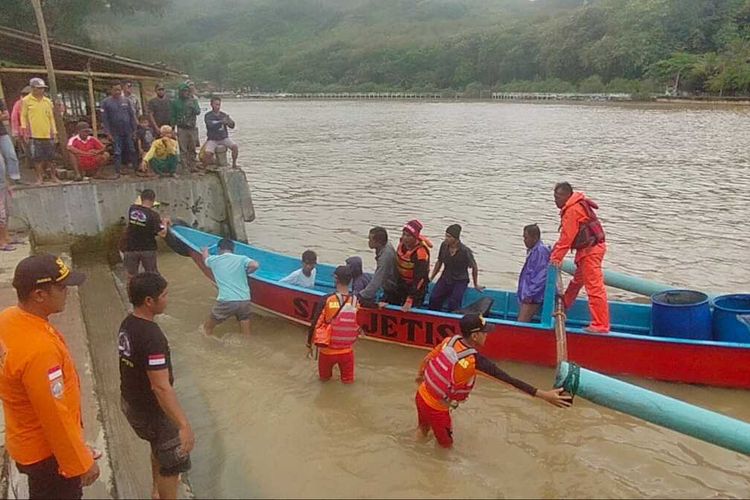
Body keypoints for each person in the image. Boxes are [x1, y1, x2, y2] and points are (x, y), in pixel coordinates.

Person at [0, 254, 100, 498]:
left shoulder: (9, 318)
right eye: (62, 287)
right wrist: (79, 462)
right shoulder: (39, 351)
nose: (68, 292)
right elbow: (53, 414)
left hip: (24, 438)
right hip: (47, 455)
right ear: (39, 295)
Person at [415, 313, 571, 448]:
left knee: (422, 431)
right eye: (484, 332)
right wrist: (545, 395)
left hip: (421, 394)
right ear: (475, 336)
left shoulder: (450, 341)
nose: (487, 335)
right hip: (437, 410)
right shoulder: (475, 361)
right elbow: (509, 380)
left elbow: (428, 358)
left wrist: (420, 375)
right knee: (446, 448)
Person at [118, 272, 194, 500]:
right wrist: (183, 425)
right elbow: (160, 387)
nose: (167, 299)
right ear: (149, 301)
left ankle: (156, 491)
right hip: (152, 410)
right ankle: (165, 490)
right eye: (164, 295)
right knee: (173, 464)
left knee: (158, 447)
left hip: (131, 402)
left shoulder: (128, 323)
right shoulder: (152, 336)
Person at [550, 182, 610, 334]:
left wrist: (555, 259)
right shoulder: (576, 205)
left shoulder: (572, 210)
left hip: (591, 252)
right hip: (588, 251)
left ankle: (601, 325)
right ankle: (564, 304)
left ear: (566, 196)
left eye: (558, 197)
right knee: (577, 281)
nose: (555, 200)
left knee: (594, 287)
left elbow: (566, 238)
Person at [306, 266, 359, 384]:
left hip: (327, 352)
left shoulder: (327, 299)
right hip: (347, 352)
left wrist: (309, 344)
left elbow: (314, 323)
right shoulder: (355, 301)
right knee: (348, 383)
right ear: (350, 280)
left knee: (324, 382)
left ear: (336, 278)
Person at [202, 238, 259, 338]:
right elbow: (255, 265)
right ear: (233, 249)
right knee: (246, 334)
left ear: (219, 249)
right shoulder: (242, 258)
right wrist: (247, 272)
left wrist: (205, 250)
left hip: (227, 300)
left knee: (206, 329)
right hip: (244, 299)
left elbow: (205, 259)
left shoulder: (214, 260)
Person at [428, 224, 483, 312]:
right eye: (446, 235)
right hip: (445, 278)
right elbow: (439, 262)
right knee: (434, 298)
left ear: (456, 239)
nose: (446, 238)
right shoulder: (444, 246)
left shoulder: (465, 251)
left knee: (454, 302)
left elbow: (474, 267)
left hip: (460, 280)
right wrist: (431, 277)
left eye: (449, 237)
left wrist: (475, 284)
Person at [122, 189, 169, 281]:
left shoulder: (132, 209)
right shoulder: (154, 215)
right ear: (153, 200)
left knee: (131, 276)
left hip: (130, 248)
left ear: (141, 198)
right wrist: (165, 222)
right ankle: (155, 293)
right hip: (147, 249)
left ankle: (132, 293)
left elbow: (139, 205)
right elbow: (162, 233)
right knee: (152, 275)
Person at [20, 78, 60, 185]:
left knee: (51, 158)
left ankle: (53, 176)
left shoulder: (47, 101)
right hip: (34, 134)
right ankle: (39, 178)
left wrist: (54, 132)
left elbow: (51, 117)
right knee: (37, 159)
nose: (41, 90)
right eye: (38, 88)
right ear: (32, 88)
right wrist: (24, 130)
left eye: (42, 88)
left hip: (47, 133)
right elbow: (23, 116)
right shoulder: (26, 101)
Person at [388, 219, 432, 312]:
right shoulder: (402, 244)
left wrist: (410, 299)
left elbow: (419, 279)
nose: (405, 238)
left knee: (411, 308)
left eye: (408, 236)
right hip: (402, 282)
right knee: (392, 299)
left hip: (417, 287)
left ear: (415, 238)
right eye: (403, 234)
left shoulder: (420, 254)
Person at [100, 83, 137, 178]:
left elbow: (132, 116)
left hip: (128, 130)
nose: (117, 92)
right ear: (111, 90)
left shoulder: (127, 101)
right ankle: (117, 171)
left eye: (119, 90)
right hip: (115, 132)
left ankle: (136, 170)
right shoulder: (106, 102)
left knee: (132, 149)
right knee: (117, 152)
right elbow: (105, 120)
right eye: (115, 90)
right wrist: (108, 133)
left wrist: (134, 130)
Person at [356, 226, 398, 307]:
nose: (368, 242)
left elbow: (378, 279)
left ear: (378, 242)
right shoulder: (386, 245)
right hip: (389, 284)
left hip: (392, 290)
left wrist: (361, 296)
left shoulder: (385, 258)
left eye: (370, 239)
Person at [517, 224, 551, 323]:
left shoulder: (540, 251)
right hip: (530, 294)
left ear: (535, 237)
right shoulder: (534, 250)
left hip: (533, 296)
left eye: (526, 238)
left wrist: (530, 295)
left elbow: (541, 276)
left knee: (522, 322)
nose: (524, 240)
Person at [171, 83, 201, 173]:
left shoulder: (193, 101)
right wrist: (172, 129)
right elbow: (173, 116)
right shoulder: (175, 102)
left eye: (187, 91)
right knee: (183, 148)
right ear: (180, 92)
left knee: (192, 147)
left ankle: (193, 165)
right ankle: (185, 166)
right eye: (183, 91)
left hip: (192, 127)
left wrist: (193, 106)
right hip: (181, 128)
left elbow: (198, 112)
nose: (185, 93)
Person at [203, 97, 239, 169]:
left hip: (223, 138)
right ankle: (206, 168)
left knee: (235, 147)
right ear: (211, 105)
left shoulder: (223, 115)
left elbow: (232, 126)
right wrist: (221, 122)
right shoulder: (208, 116)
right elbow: (210, 125)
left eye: (219, 105)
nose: (218, 106)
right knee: (207, 154)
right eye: (216, 104)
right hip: (212, 139)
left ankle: (234, 163)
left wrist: (229, 122)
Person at [0, 96, 21, 185]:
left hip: (2, 132)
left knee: (11, 154)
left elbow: (7, 115)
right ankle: (2, 182)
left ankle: (15, 177)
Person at [11, 86, 32, 172]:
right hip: (23, 130)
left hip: (36, 129)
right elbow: (14, 118)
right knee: (27, 149)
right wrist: (15, 132)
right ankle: (31, 165)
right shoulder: (19, 104)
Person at [0, 182, 13, 251]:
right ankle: (1, 241)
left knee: (7, 212)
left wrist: (7, 185)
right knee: (1, 216)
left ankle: (6, 237)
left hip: (2, 186)